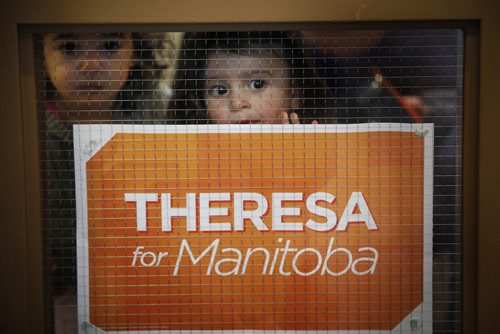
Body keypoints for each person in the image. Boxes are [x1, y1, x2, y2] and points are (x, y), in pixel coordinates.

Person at [39, 31, 173, 333]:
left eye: (110, 46)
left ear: (137, 51)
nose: (91, 65)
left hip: (148, 290)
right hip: (58, 299)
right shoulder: (22, 122)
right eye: (69, 47)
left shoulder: (162, 111)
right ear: (39, 54)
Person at [170, 31, 336, 124]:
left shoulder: (318, 160)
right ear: (199, 102)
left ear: (295, 95)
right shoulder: (190, 165)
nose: (237, 103)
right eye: (220, 90)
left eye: (257, 84)